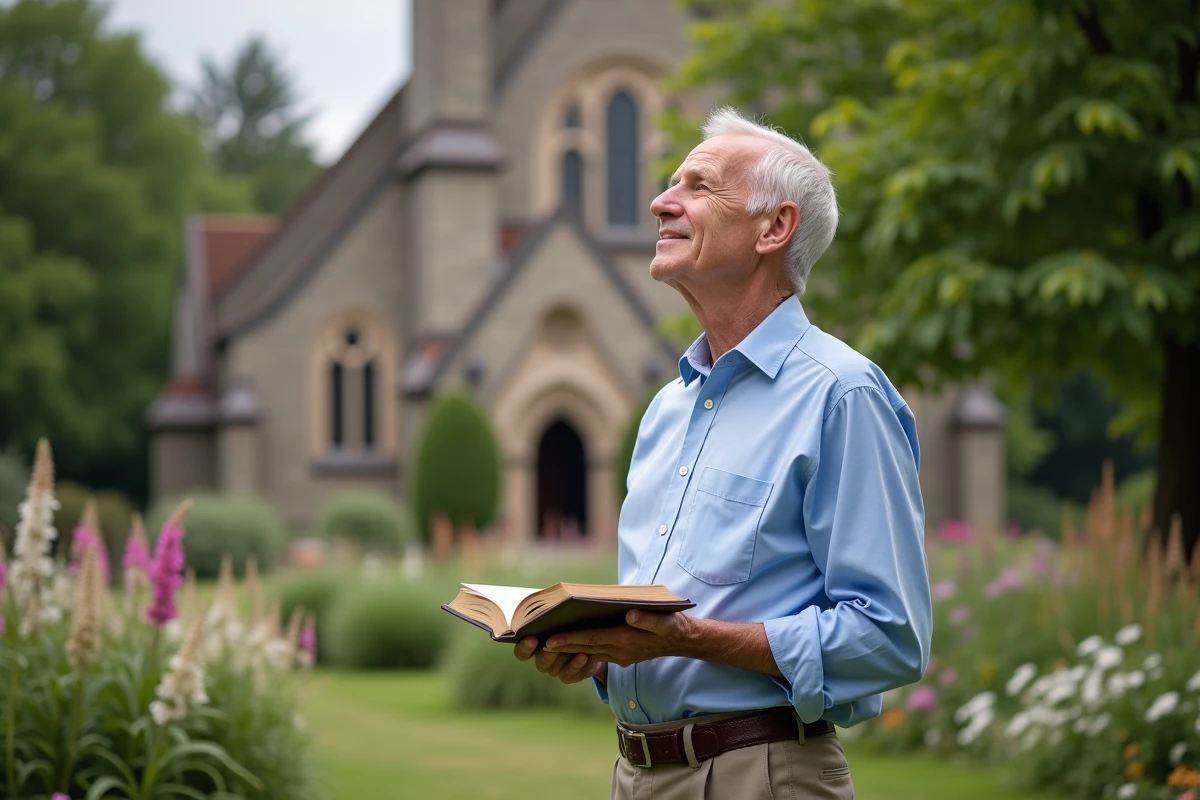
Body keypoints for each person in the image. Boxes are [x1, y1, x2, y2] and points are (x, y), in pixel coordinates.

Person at [514, 106, 932, 799]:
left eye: (698, 186)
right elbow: (667, 631)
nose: (659, 201)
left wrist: (692, 639)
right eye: (671, 182)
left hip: (760, 776)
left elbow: (888, 637)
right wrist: (600, 657)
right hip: (635, 775)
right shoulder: (666, 409)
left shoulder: (843, 395)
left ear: (775, 228)